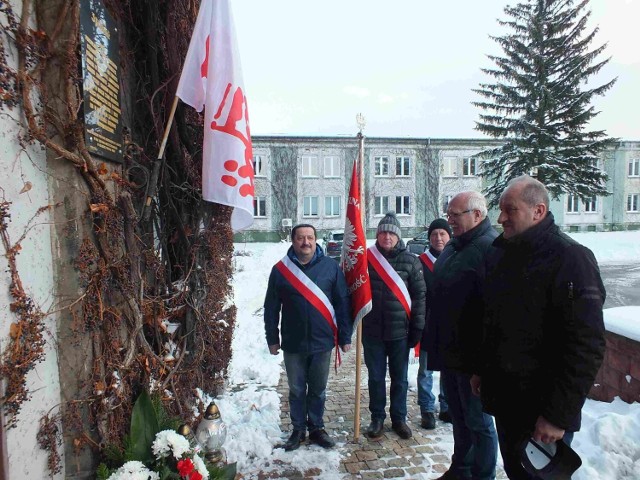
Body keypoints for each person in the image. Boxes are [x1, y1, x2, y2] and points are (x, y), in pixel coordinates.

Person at [471, 175, 606, 479]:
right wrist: (482, 369)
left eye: (510, 210)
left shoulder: (572, 259)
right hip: (507, 400)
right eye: (501, 209)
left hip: (542, 410)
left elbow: (586, 345)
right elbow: (493, 321)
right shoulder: (501, 253)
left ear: (539, 211)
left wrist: (557, 416)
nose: (501, 217)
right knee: (515, 472)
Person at [426, 191, 499, 480]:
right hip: (450, 352)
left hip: (473, 358)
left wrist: (482, 366)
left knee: (478, 422)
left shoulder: (490, 247)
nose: (450, 220)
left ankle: (482, 475)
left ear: (477, 215)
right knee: (458, 417)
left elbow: (493, 312)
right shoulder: (455, 245)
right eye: (449, 214)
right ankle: (461, 468)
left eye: (456, 215)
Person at [264, 223, 353, 452]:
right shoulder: (280, 270)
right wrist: (272, 338)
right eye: (301, 238)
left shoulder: (330, 268)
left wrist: (345, 336)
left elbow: (342, 303)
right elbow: (271, 307)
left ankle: (316, 428)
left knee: (318, 389)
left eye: (310, 238)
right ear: (293, 241)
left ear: (316, 240)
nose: (306, 242)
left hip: (322, 341)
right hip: (293, 343)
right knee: (295, 389)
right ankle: (297, 429)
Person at [363, 211, 426, 440]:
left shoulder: (411, 261)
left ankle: (399, 418)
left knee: (399, 378)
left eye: (391, 232)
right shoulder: (366, 259)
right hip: (372, 332)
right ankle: (377, 418)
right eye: (383, 232)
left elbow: (419, 296)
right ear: (377, 235)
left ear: (398, 236)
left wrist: (417, 327)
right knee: (376, 377)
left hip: (400, 332)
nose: (387, 236)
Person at [417, 218, 453, 429]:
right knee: (426, 370)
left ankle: (446, 406)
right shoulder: (421, 262)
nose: (438, 238)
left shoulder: (456, 258)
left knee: (448, 368)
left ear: (449, 236)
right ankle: (427, 409)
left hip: (450, 325)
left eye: (442, 234)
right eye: (434, 234)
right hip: (428, 325)